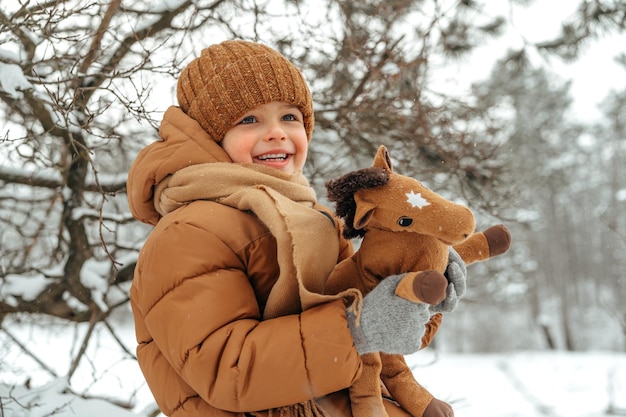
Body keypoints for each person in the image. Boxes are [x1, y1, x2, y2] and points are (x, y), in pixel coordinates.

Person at [126, 40, 467, 417]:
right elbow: (230, 370)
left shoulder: (314, 223)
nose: (276, 132)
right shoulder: (187, 234)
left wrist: (417, 290)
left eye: (289, 117)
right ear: (211, 135)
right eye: (248, 120)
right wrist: (357, 328)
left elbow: (374, 349)